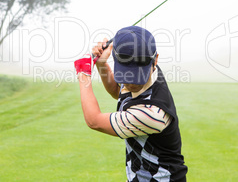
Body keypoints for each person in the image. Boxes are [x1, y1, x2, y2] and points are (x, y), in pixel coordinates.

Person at [74, 26, 187, 182]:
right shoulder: (150, 69)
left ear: (155, 60)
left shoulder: (152, 113)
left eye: (136, 75)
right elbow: (118, 92)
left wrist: (83, 74)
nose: (130, 83)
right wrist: (101, 63)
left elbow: (94, 121)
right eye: (126, 74)